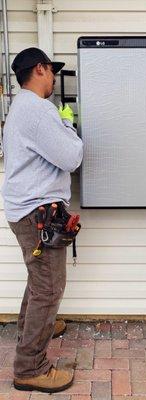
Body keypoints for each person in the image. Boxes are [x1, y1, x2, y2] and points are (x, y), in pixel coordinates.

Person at [1, 47, 83, 392]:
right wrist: (67, 123)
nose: (53, 80)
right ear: (40, 69)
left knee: (40, 281)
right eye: (52, 72)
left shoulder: (21, 106)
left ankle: (33, 326)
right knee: (49, 289)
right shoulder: (37, 110)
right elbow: (72, 156)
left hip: (29, 210)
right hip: (37, 213)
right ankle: (30, 367)